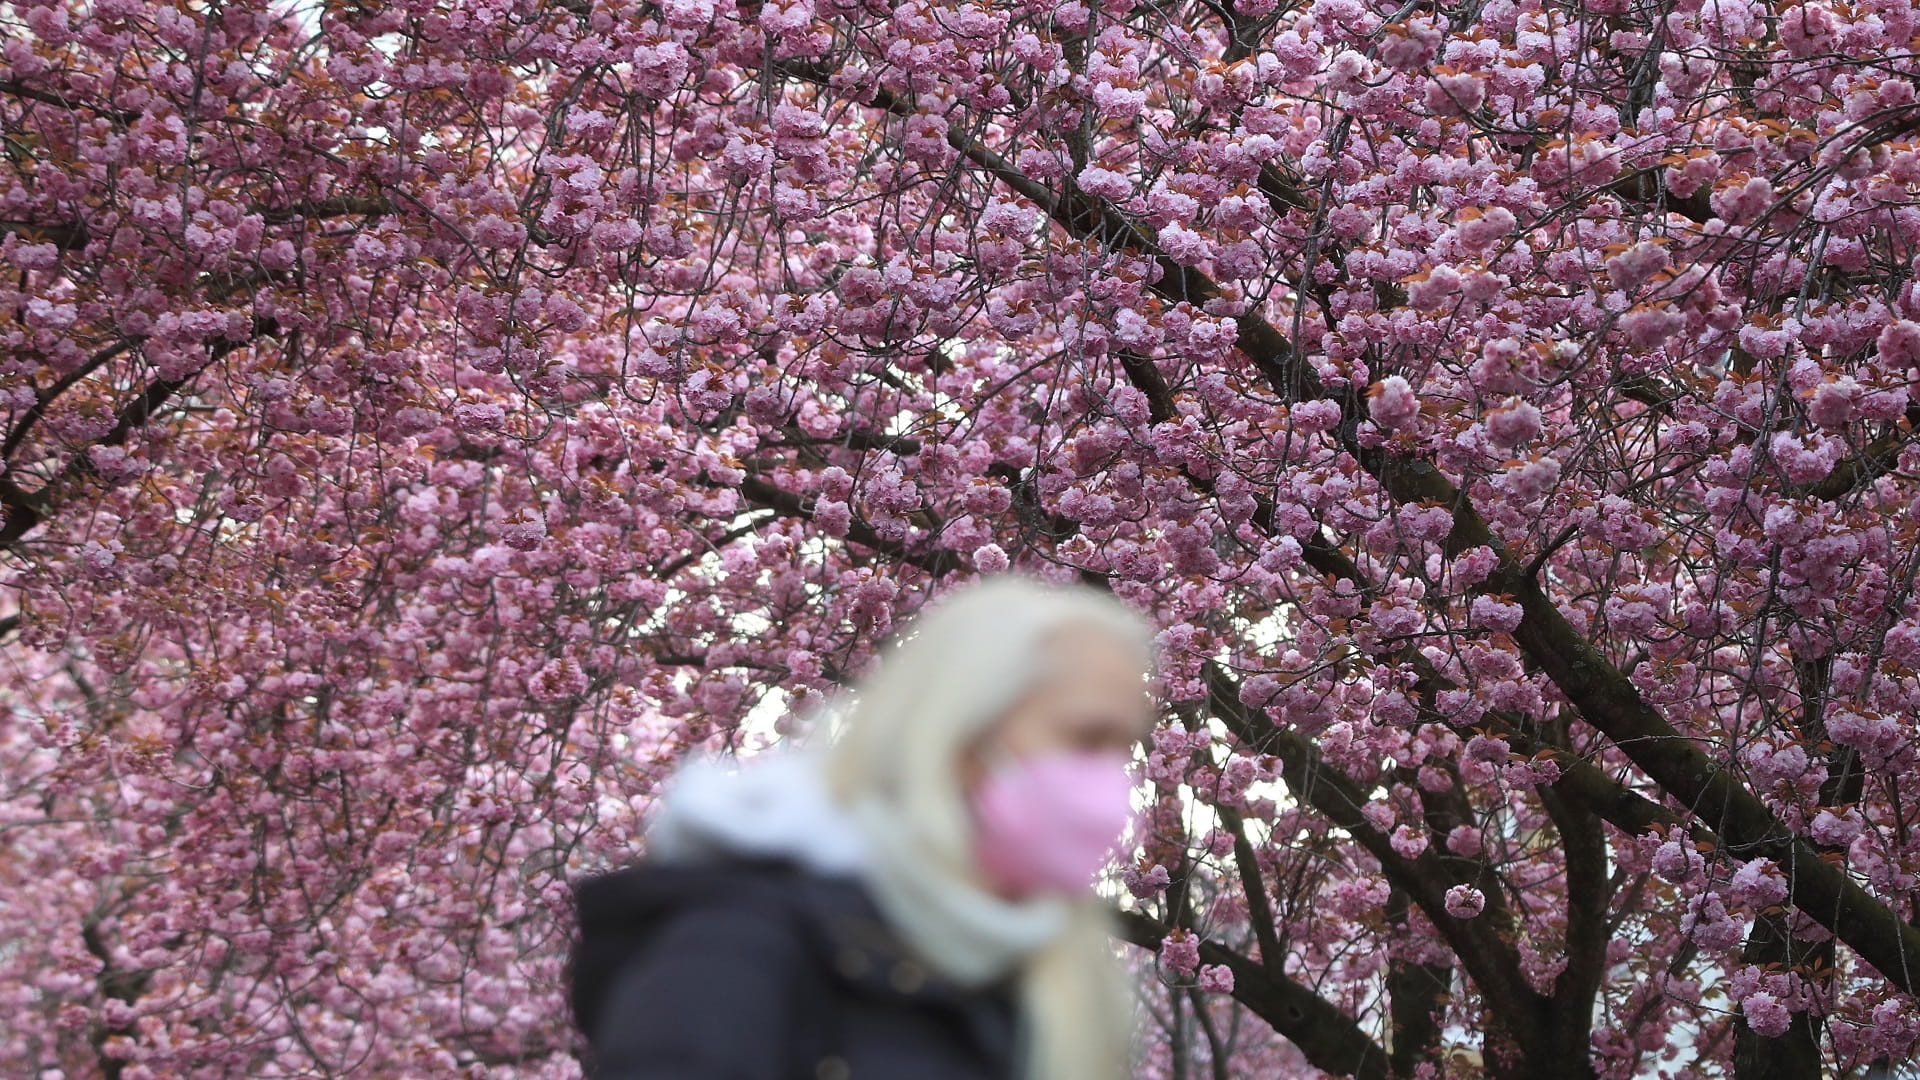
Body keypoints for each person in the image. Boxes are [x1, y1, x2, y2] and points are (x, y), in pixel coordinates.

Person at [569, 575, 1160, 1080]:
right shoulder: (739, 943)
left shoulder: (1033, 969)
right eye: (1085, 740)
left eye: (1122, 749)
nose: (1110, 783)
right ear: (960, 734)